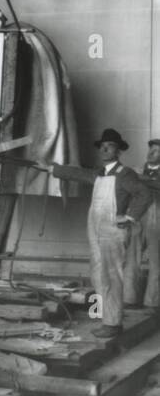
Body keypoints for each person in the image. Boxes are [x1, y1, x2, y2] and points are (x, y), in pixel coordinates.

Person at [47, 128, 158, 339]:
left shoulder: (124, 174)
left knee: (110, 276)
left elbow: (144, 195)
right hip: (95, 230)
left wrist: (130, 217)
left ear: (118, 151)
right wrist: (53, 169)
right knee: (96, 274)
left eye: (110, 146)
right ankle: (100, 314)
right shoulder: (99, 173)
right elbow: (77, 173)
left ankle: (113, 323)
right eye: (102, 146)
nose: (105, 148)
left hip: (112, 233)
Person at [131, 138, 160, 309]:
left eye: (157, 151)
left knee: (156, 262)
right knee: (131, 258)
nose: (151, 153)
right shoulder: (136, 170)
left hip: (157, 218)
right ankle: (130, 298)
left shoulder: (138, 174)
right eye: (151, 150)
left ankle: (152, 302)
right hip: (136, 217)